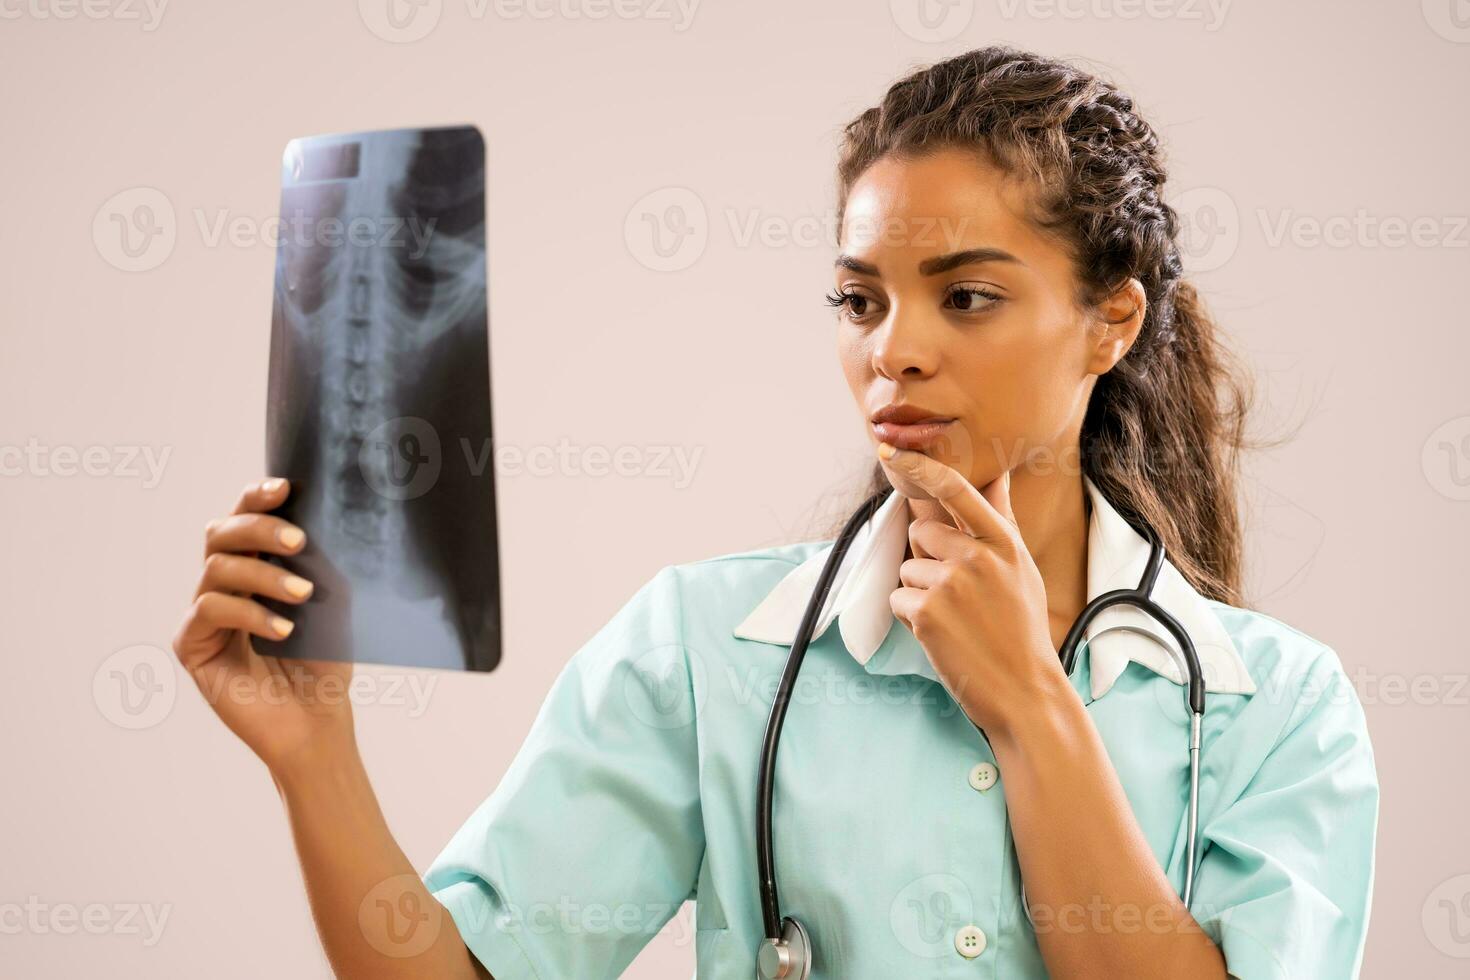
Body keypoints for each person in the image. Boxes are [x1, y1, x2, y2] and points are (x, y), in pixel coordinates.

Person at [171, 45, 1378, 979]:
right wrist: (313, 751)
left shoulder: (1279, 708)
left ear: (1111, 322)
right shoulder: (704, 645)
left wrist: (1026, 701)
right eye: (860, 302)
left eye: (965, 296)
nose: (893, 353)